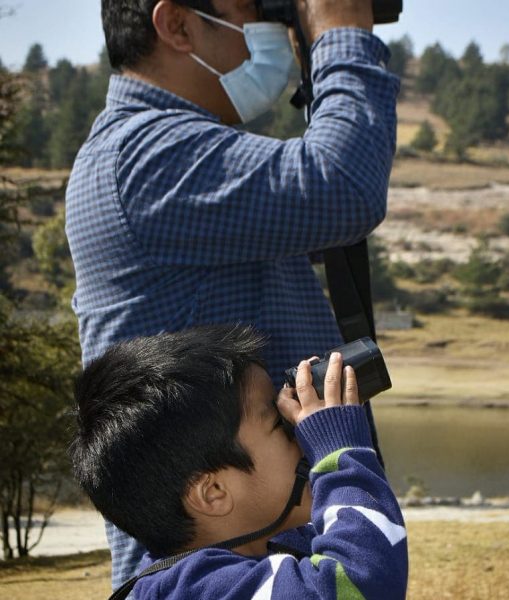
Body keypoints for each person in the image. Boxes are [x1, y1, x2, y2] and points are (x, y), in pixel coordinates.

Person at [65, 0, 400, 589]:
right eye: (252, 7)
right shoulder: (149, 158)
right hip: (227, 559)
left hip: (252, 545)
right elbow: (343, 185)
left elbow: (324, 212)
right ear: (177, 25)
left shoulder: (170, 155)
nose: (267, 26)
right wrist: (340, 32)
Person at [70, 325, 408, 599]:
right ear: (214, 492)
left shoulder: (261, 555)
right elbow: (362, 585)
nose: (300, 431)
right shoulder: (190, 590)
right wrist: (339, 449)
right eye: (278, 424)